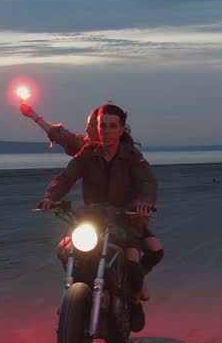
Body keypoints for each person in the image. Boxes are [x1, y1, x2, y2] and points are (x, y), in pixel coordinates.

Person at [36, 103, 160, 331]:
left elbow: (149, 181)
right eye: (103, 125)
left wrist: (144, 203)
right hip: (93, 219)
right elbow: (66, 177)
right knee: (63, 249)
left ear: (122, 129)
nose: (106, 131)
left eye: (112, 126)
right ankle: (74, 293)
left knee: (134, 260)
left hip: (125, 219)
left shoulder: (132, 156)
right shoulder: (87, 154)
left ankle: (133, 299)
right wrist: (50, 198)